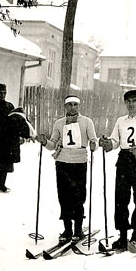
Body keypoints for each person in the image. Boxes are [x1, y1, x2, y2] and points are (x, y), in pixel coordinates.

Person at [99, 90, 136, 250]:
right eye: (128, 101)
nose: (131, 104)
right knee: (121, 199)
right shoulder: (121, 121)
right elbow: (115, 140)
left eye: (134, 101)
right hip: (124, 159)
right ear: (125, 103)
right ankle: (122, 236)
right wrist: (108, 143)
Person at [37, 95, 98, 242]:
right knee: (64, 196)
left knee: (78, 196)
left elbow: (93, 139)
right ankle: (67, 229)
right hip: (62, 162)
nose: (72, 107)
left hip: (79, 162)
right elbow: (53, 143)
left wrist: (93, 145)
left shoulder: (86, 122)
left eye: (75, 104)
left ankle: (78, 229)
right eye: (69, 105)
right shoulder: (59, 123)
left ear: (79, 106)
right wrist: (45, 142)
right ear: (65, 107)